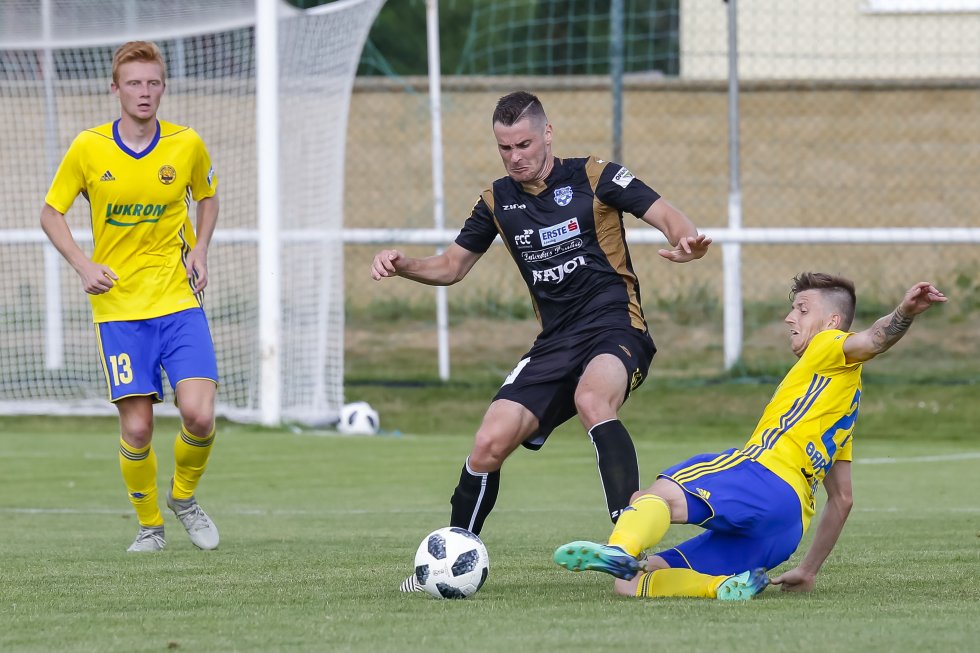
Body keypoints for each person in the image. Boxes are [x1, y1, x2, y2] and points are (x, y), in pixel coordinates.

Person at [370, 91, 711, 591]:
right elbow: (452, 266)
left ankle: (626, 543)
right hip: (555, 343)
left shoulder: (595, 176)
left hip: (616, 325)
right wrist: (405, 266)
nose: (515, 157)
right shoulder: (497, 202)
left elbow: (666, 215)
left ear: (548, 134)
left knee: (592, 398)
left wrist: (686, 240)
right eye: (504, 148)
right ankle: (446, 563)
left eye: (524, 144)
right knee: (488, 444)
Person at [553, 273, 947, 600]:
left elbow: (874, 339)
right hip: (785, 529)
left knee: (654, 497)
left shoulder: (828, 345)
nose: (790, 318)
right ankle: (720, 588)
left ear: (832, 322)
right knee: (630, 584)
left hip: (762, 476)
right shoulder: (843, 405)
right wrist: (808, 570)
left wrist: (904, 312)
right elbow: (842, 500)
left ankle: (619, 548)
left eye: (802, 309)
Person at [40, 41, 221, 553]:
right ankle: (150, 526)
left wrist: (200, 249)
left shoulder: (186, 144)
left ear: (164, 87)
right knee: (138, 430)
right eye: (134, 83)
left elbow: (207, 197)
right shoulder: (88, 147)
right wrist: (83, 265)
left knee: (199, 415)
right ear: (115, 88)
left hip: (178, 300)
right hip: (119, 310)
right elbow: (51, 214)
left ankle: (183, 497)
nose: (144, 92)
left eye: (153, 82)